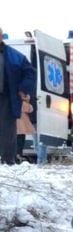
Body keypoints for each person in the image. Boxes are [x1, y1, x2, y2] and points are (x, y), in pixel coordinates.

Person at [1, 28, 36, 165]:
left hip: (7, 98)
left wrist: (23, 89)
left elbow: (30, 74)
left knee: (7, 130)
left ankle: (8, 161)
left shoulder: (16, 57)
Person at [16, 92, 33, 162]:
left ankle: (18, 154)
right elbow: (30, 109)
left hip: (18, 124)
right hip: (22, 124)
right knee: (21, 139)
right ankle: (18, 154)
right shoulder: (23, 103)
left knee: (19, 139)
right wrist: (28, 101)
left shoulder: (17, 101)